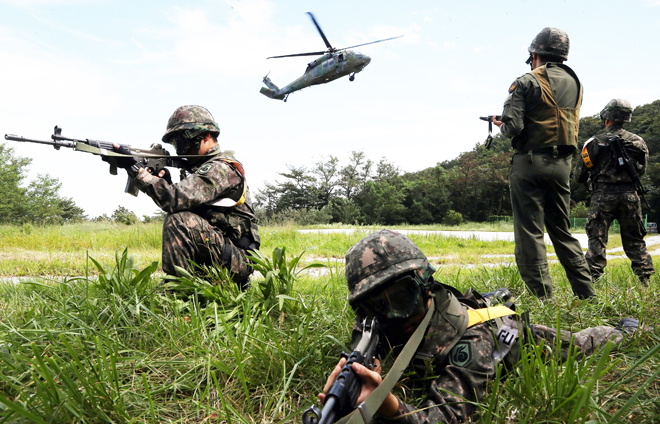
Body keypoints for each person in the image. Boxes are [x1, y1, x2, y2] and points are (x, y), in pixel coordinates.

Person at [319, 229, 636, 423]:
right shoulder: (379, 322)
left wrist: (388, 406)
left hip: (511, 337)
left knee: (579, 345)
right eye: (374, 305)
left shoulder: (474, 343)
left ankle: (625, 330)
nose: (391, 314)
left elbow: (445, 416)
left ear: (425, 284)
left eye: (401, 298)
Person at [492, 27, 595, 299]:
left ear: (535, 55)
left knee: (530, 232)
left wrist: (501, 125)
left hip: (530, 162)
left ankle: (542, 298)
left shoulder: (525, 81)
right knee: (562, 231)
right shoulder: (576, 82)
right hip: (562, 165)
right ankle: (586, 293)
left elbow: (514, 127)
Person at [113, 105, 260, 289]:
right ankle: (193, 283)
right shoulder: (203, 169)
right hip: (225, 252)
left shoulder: (219, 168)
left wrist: (136, 170)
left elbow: (174, 200)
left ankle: (179, 289)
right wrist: (166, 182)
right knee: (181, 217)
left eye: (183, 142)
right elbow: (190, 206)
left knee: (179, 220)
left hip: (238, 260)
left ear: (206, 136)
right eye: (176, 145)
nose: (181, 150)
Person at [575, 99, 655, 285]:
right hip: (630, 196)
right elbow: (642, 170)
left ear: (607, 118)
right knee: (635, 240)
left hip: (602, 197)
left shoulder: (594, 142)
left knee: (597, 240)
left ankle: (592, 281)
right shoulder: (638, 142)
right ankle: (645, 281)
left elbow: (579, 174)